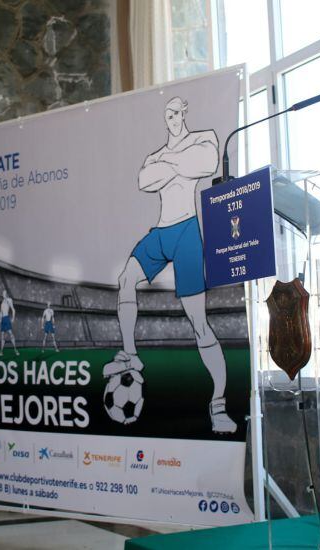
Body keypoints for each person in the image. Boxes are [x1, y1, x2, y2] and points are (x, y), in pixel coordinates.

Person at [103, 96, 236, 433]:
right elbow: (144, 181)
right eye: (169, 114)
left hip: (187, 232)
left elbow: (206, 164)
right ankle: (132, 355)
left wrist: (171, 163)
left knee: (199, 322)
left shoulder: (203, 136)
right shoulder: (156, 155)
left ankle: (218, 405)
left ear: (185, 114)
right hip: (161, 232)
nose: (173, 118)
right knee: (126, 277)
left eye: (177, 112)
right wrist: (180, 162)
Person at [0, 290, 19, 356]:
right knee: (2, 335)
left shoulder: (9, 300)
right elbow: (1, 312)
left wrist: (13, 318)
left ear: (6, 294)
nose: (3, 294)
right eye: (2, 293)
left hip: (7, 318)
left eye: (4, 293)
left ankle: (15, 349)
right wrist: (0, 318)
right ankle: (1, 351)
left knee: (10, 333)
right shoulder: (2, 302)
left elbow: (13, 309)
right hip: (3, 319)